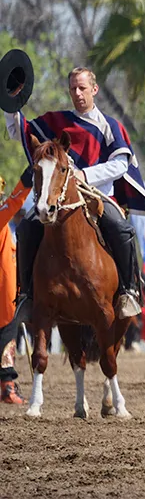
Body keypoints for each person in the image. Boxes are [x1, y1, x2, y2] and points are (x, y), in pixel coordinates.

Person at [5, 67, 145, 320]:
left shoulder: (109, 125)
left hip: (98, 196)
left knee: (123, 230)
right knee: (28, 228)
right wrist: (10, 103)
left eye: (82, 88)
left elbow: (121, 164)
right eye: (73, 88)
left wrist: (84, 175)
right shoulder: (57, 121)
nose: (78, 93)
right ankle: (27, 294)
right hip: (59, 199)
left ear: (94, 90)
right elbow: (20, 131)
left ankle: (129, 291)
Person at [0, 170, 30, 403]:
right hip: (3, 298)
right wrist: (25, 183)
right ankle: (8, 388)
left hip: (9, 293)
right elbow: (13, 203)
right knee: (7, 341)